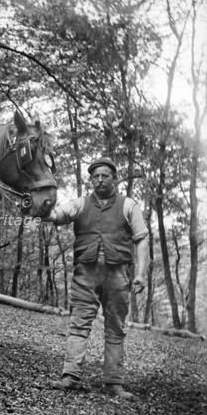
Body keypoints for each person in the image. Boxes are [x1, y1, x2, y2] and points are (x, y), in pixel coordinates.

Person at [45, 157, 149, 400]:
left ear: (114, 178)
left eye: (105, 175)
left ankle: (113, 382)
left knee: (116, 328)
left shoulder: (128, 205)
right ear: (90, 180)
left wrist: (141, 274)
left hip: (118, 275)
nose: (100, 180)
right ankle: (70, 377)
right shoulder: (80, 204)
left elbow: (142, 238)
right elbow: (57, 215)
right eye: (95, 176)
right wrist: (39, 207)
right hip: (85, 275)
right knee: (79, 324)